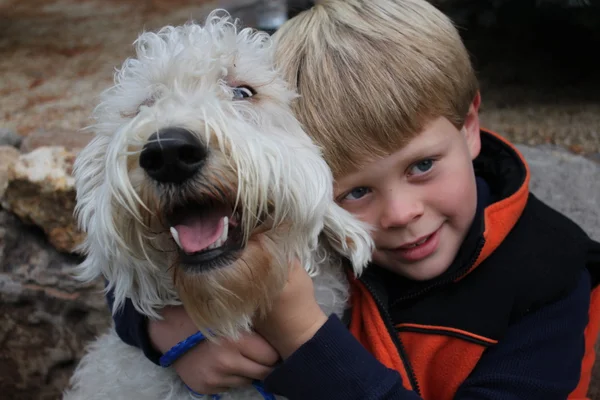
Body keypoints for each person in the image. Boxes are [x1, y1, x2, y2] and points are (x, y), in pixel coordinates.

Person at [106, 0, 600, 399]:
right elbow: (151, 261)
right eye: (357, 190)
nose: (401, 214)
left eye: (422, 165)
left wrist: (301, 335)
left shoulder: (551, 280)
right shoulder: (315, 219)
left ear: (469, 127)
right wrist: (169, 334)